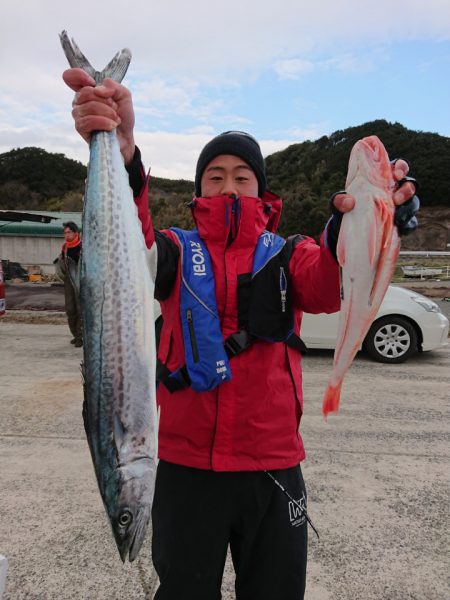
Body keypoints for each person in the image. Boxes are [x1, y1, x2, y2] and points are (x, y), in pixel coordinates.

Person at [63, 68, 419, 599]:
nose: (228, 184)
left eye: (241, 176)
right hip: (185, 468)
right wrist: (123, 151)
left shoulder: (288, 252)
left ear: (260, 188)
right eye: (215, 175)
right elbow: (127, 245)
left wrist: (368, 217)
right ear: (199, 187)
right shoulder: (174, 252)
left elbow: (330, 282)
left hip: (272, 465)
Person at [54, 221, 82, 347]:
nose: (66, 235)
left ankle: (81, 337)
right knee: (70, 309)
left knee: (81, 309)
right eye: (64, 233)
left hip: (81, 281)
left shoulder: (83, 246)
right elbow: (60, 264)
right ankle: (75, 335)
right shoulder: (65, 247)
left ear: (76, 233)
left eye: (69, 232)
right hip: (69, 282)